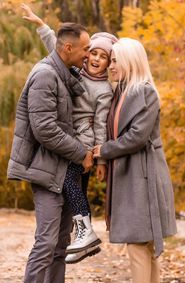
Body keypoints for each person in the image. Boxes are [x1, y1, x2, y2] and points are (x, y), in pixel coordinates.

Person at [7, 22, 94, 283]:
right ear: (67, 48)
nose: (88, 55)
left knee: (60, 244)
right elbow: (44, 129)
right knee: (44, 246)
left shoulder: (64, 74)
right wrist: (81, 152)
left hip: (65, 171)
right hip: (46, 173)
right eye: (85, 49)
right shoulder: (45, 75)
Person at [93, 38, 178, 283]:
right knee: (144, 246)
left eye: (115, 60)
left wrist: (103, 151)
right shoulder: (119, 93)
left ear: (130, 60)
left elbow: (137, 138)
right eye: (110, 59)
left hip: (144, 176)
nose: (110, 65)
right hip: (127, 175)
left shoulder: (146, 93)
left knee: (138, 246)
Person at [21, 4, 117, 263]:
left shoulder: (104, 90)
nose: (95, 59)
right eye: (92, 53)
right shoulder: (76, 70)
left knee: (70, 185)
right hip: (68, 138)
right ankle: (83, 236)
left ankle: (85, 232)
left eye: (102, 56)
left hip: (82, 142)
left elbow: (100, 125)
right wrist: (41, 25)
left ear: (109, 62)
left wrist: (100, 159)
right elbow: (57, 45)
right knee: (74, 190)